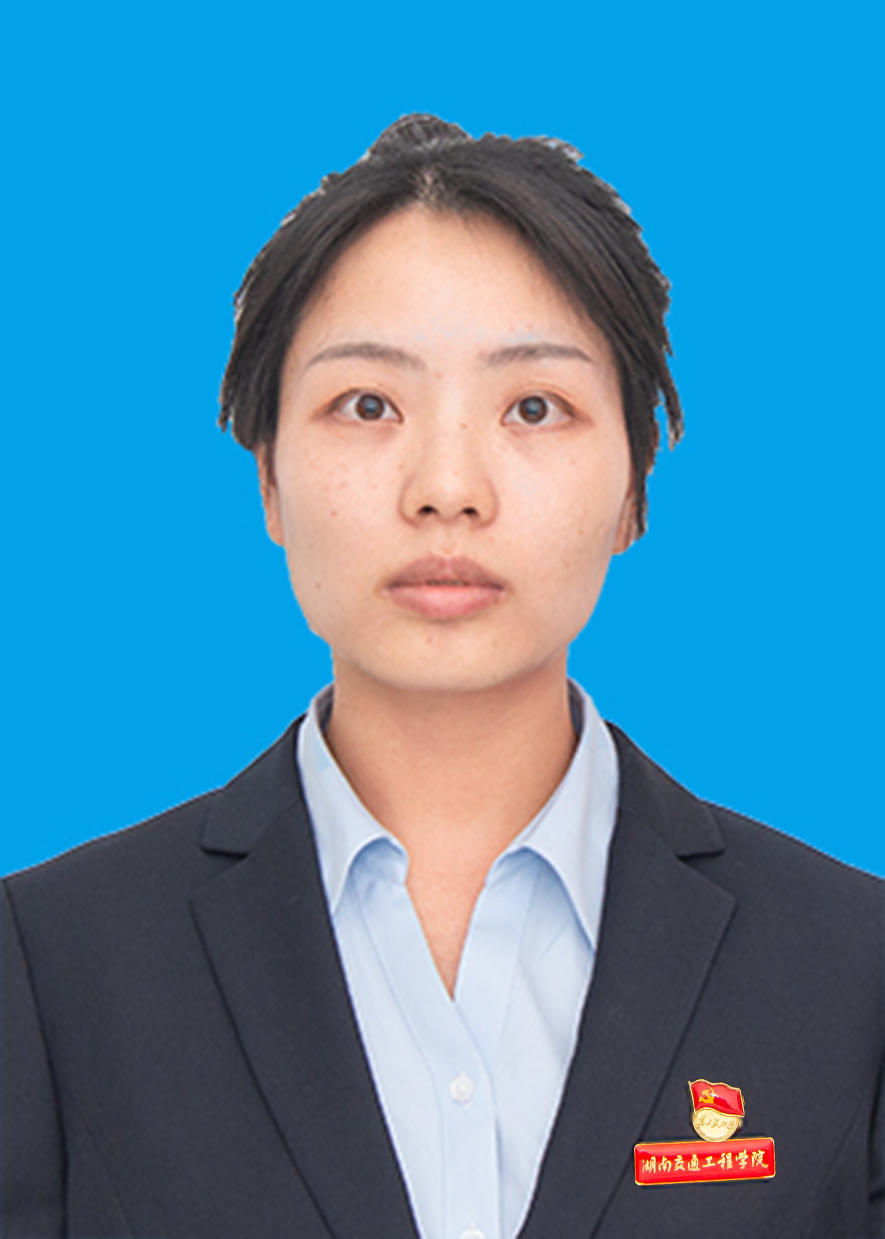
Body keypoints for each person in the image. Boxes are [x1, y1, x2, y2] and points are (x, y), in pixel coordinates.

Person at [2, 114, 882, 1239]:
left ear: (633, 487)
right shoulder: (51, 960)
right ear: (268, 477)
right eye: (368, 405)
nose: (447, 487)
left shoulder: (850, 966)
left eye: (533, 407)